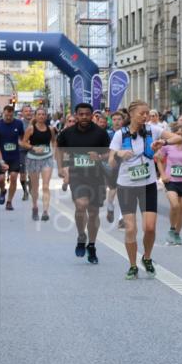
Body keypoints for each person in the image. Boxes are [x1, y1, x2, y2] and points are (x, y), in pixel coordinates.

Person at [108, 101, 182, 279]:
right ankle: (133, 265)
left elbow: (178, 138)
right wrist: (119, 154)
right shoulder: (120, 135)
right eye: (142, 113)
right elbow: (111, 161)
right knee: (130, 229)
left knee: (149, 228)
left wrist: (163, 142)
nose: (145, 116)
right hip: (126, 185)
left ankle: (147, 257)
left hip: (147, 184)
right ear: (132, 113)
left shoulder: (153, 130)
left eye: (147, 113)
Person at [55, 102, 110, 264]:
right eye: (81, 114)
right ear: (76, 115)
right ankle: (81, 235)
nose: (84, 117)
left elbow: (109, 153)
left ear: (92, 115)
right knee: (81, 205)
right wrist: (61, 168)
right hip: (77, 175)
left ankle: (91, 245)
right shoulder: (67, 133)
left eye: (87, 114)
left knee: (93, 212)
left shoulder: (100, 133)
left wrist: (99, 157)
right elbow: (59, 151)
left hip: (96, 176)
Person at [155, 123, 182, 246]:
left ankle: (177, 234)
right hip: (171, 181)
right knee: (175, 205)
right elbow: (158, 159)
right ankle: (172, 228)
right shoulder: (167, 146)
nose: (180, 136)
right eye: (178, 134)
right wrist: (163, 174)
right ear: (174, 134)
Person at [20, 107, 56, 221]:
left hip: (47, 158)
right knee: (35, 187)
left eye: (43, 114)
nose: (41, 116)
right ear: (35, 116)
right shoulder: (31, 129)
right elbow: (23, 143)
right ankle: (35, 206)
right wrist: (33, 147)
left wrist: (53, 152)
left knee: (45, 186)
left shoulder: (50, 129)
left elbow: (54, 141)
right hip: (33, 159)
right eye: (39, 114)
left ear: (46, 116)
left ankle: (45, 211)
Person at [0, 105, 26, 210]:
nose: (8, 117)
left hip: (14, 156)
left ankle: (9, 202)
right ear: (3, 113)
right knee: (1, 179)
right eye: (6, 115)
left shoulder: (18, 123)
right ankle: (3, 190)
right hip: (1, 156)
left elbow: (22, 138)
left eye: (10, 115)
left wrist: (23, 144)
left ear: (13, 114)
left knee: (13, 177)